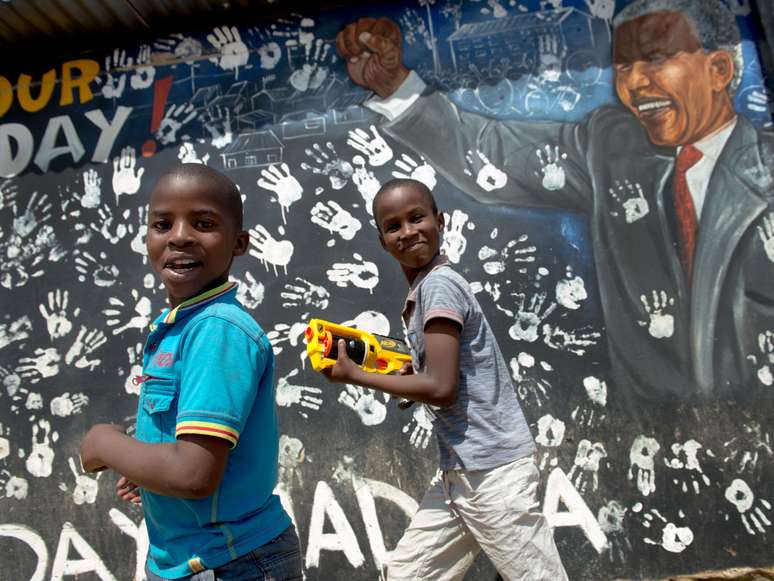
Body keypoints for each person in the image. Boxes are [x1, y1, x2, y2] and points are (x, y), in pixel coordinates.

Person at [335, 0, 774, 403]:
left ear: (719, 69)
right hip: (659, 430)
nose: (635, 83)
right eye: (623, 66)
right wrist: (395, 85)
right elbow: (491, 151)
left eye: (657, 60)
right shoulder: (612, 149)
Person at [320, 178, 568, 581]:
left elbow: (441, 387)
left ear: (440, 221)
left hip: (493, 474)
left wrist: (356, 374)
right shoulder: (427, 289)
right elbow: (440, 379)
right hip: (460, 474)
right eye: (393, 226)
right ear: (382, 240)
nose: (408, 232)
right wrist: (410, 376)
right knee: (406, 575)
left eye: (417, 218)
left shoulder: (439, 287)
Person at [79, 164, 302, 580]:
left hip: (232, 562)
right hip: (190, 559)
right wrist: (148, 470)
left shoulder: (216, 330)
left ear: (239, 244)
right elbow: (182, 451)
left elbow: (194, 472)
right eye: (163, 223)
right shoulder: (179, 325)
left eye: (203, 223)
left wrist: (104, 442)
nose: (179, 236)